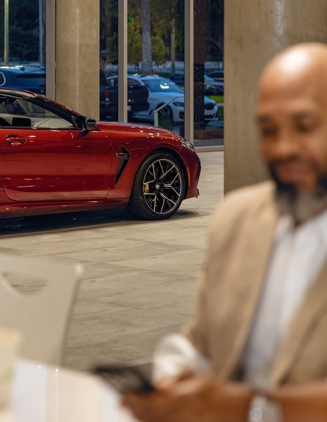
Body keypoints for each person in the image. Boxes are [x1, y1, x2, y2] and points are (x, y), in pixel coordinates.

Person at [122, 43, 327, 422]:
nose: (282, 148)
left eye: (304, 126)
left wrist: (250, 407)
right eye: (268, 129)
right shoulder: (238, 217)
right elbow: (202, 341)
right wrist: (172, 381)